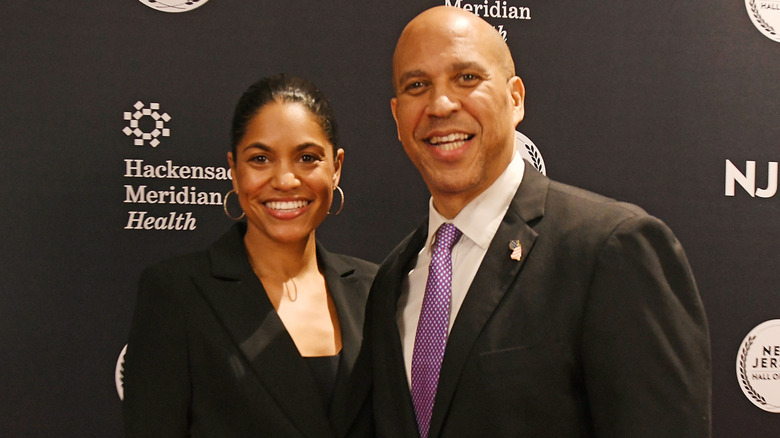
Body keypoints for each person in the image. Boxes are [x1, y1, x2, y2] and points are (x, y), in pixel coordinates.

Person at [367, 6, 711, 438]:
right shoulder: (391, 281)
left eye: (467, 78)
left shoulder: (611, 249)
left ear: (515, 99)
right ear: (397, 116)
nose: (441, 105)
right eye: (417, 85)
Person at [122, 74, 376, 438]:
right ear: (234, 170)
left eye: (307, 158)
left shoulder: (376, 290)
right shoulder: (176, 295)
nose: (285, 180)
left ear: (336, 167)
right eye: (260, 159)